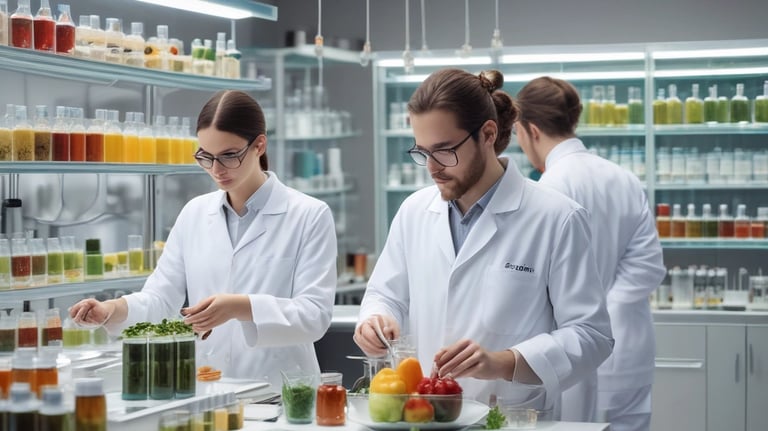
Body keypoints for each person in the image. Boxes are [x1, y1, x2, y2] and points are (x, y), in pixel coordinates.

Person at [353, 68, 613, 416]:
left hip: (509, 416)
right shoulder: (414, 211)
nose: (431, 168)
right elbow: (386, 294)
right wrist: (375, 319)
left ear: (488, 134)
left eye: (444, 150)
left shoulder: (556, 217)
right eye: (422, 152)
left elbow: (591, 335)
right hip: (424, 413)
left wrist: (504, 362)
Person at [70, 90, 338, 389]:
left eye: (229, 155)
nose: (216, 169)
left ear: (259, 145)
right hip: (209, 386)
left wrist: (241, 306)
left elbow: (314, 315)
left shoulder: (309, 214)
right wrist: (112, 310)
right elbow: (160, 298)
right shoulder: (194, 213)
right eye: (205, 157)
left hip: (283, 391)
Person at [515, 76, 665, 431]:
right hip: (630, 344)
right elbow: (648, 266)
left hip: (574, 353)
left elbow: (535, 281)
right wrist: (609, 310)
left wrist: (589, 318)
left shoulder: (548, 186)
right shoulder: (622, 177)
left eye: (517, 135)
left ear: (531, 130)